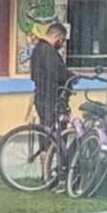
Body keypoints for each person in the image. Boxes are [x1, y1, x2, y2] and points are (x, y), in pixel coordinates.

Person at [24, 17, 74, 146]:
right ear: (56, 35)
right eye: (62, 40)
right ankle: (52, 160)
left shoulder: (38, 49)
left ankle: (45, 158)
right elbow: (56, 74)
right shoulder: (48, 52)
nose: (62, 44)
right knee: (55, 134)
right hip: (52, 99)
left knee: (46, 131)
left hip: (42, 96)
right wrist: (71, 76)